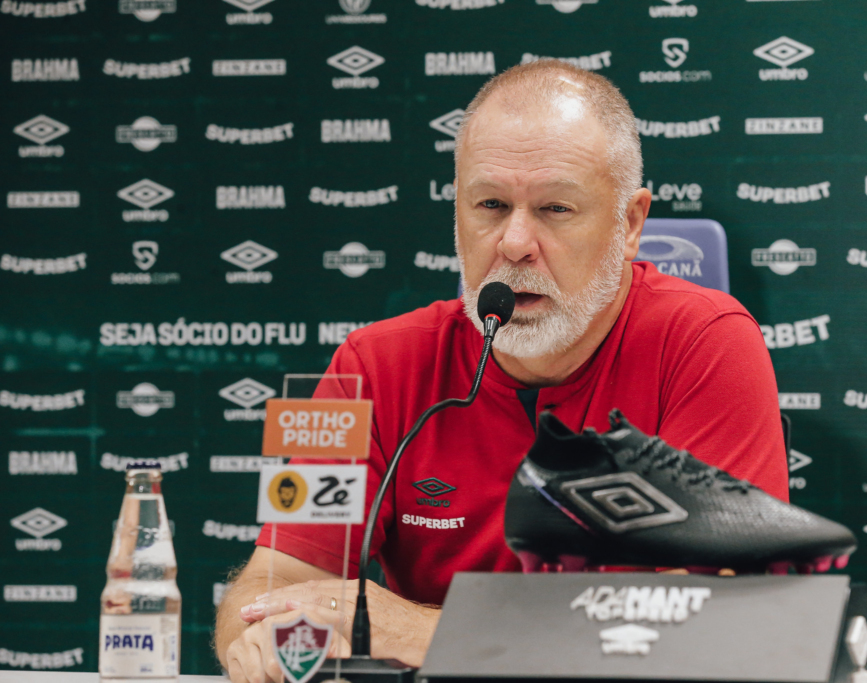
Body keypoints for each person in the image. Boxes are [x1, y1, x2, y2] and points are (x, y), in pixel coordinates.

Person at [214, 60, 788, 682]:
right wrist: (263, 637)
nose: (514, 243)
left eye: (556, 209)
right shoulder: (368, 364)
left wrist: (436, 633)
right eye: (490, 203)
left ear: (630, 223)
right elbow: (274, 585)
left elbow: (719, 621)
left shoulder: (708, 343)